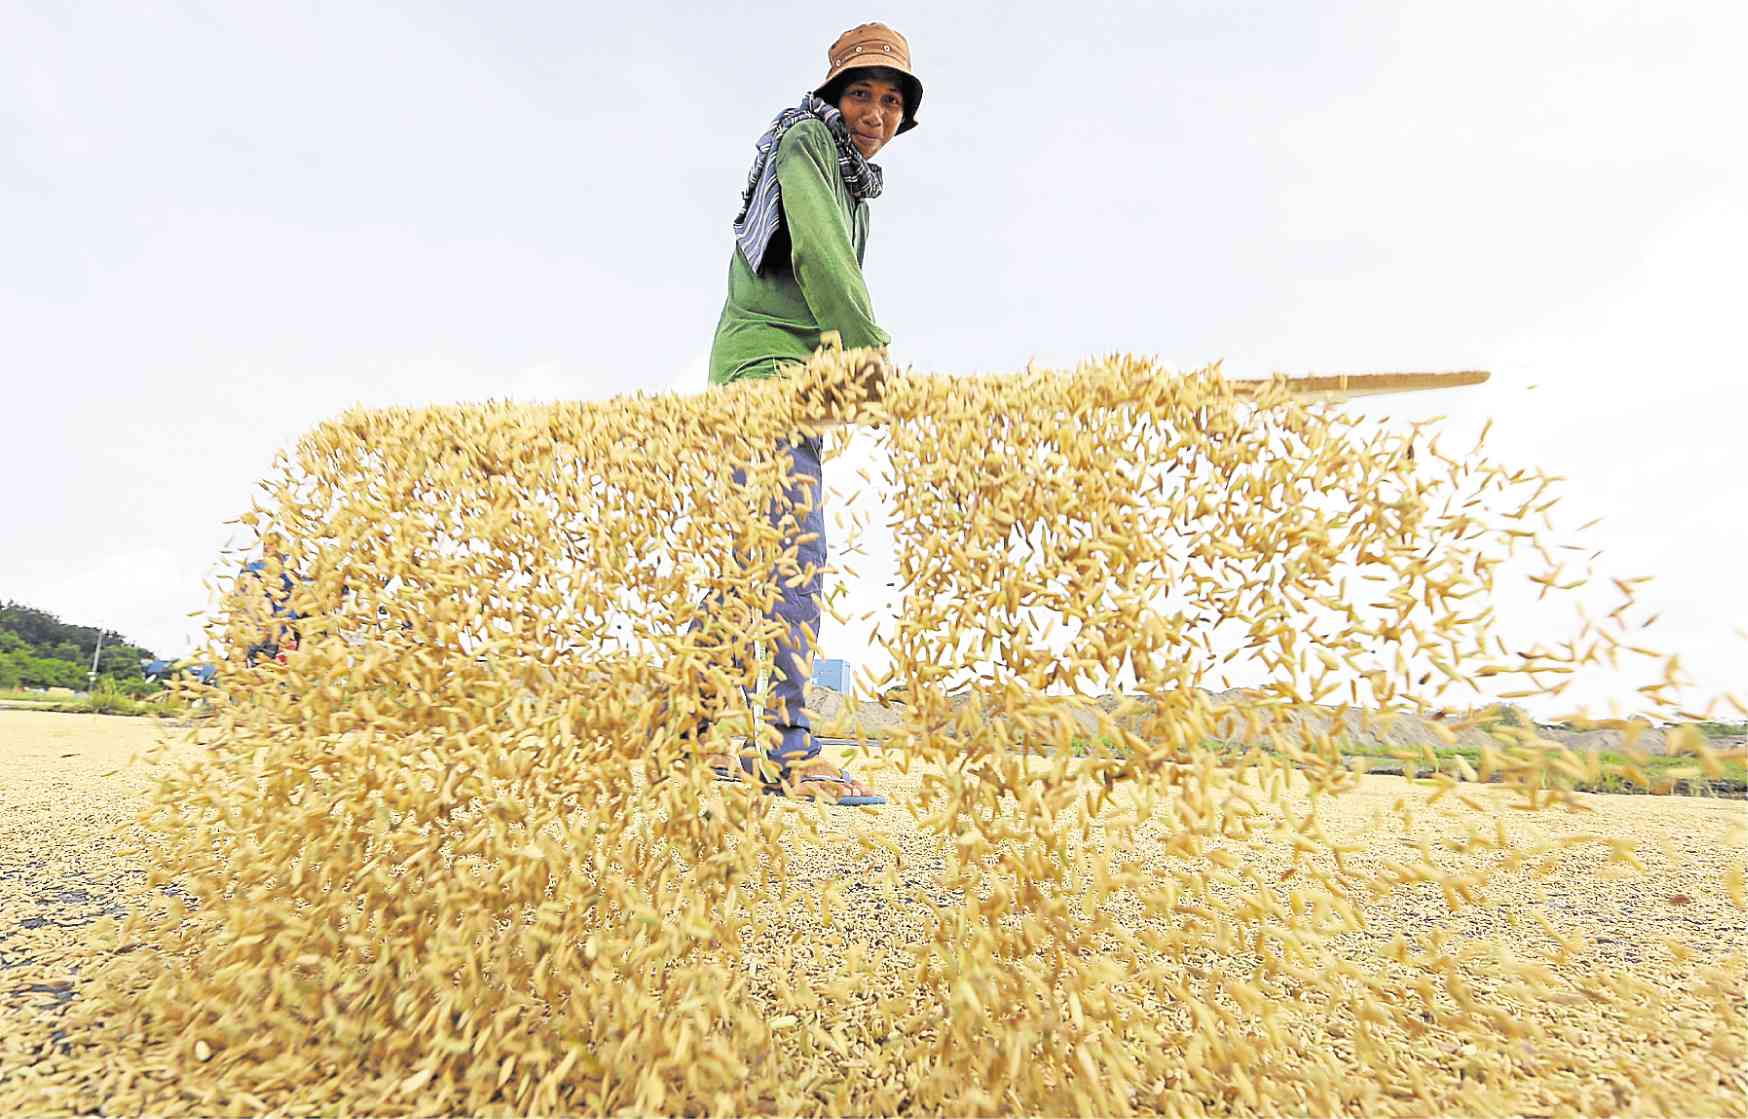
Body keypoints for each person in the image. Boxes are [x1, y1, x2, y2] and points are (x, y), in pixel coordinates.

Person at [692, 22, 924, 807]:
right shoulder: (804, 144)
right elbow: (821, 261)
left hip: (793, 381)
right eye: (861, 92)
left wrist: (851, 374)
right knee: (794, 549)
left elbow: (829, 279)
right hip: (768, 376)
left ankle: (691, 733)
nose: (875, 112)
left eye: (891, 100)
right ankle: (786, 745)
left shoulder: (851, 180)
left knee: (753, 561)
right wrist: (871, 357)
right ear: (834, 96)